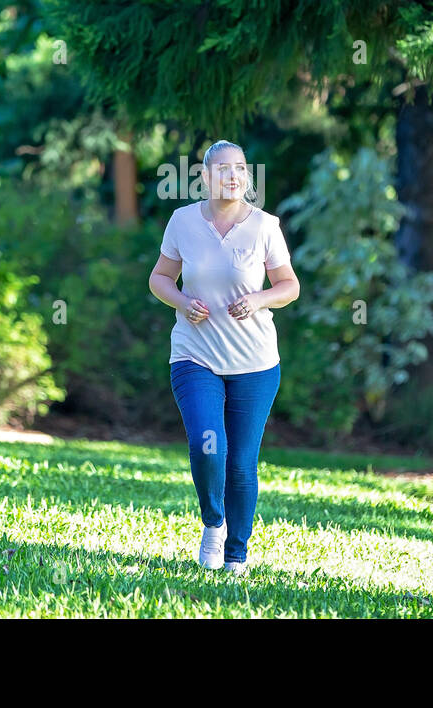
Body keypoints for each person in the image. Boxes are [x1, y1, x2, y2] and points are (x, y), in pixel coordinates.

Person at [147, 140, 300, 575]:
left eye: (240, 169)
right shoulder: (182, 221)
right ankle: (213, 523)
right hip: (195, 356)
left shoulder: (265, 226)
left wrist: (258, 299)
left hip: (255, 364)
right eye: (223, 169)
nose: (233, 176)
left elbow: (290, 286)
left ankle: (236, 553)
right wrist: (179, 300)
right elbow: (160, 277)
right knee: (207, 445)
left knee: (241, 463)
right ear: (206, 177)